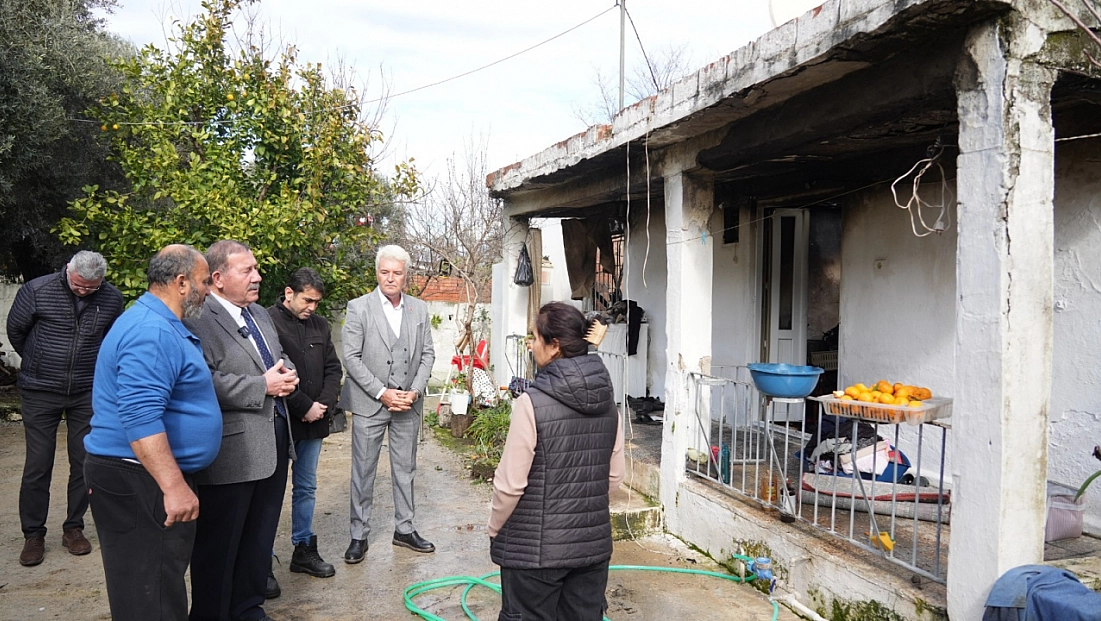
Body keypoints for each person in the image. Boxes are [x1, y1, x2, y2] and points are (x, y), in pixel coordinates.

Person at [84, 245, 222, 620]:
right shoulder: (152, 331)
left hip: (144, 476)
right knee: (150, 598)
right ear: (181, 283)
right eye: (205, 281)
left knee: (157, 587)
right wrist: (174, 487)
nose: (208, 290)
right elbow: (140, 417)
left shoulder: (158, 322)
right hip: (139, 479)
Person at [184, 240, 299, 621]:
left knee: (258, 540)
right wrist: (261, 387)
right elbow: (201, 381)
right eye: (247, 270)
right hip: (232, 452)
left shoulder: (260, 315)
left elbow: (275, 359)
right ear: (217, 278)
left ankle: (249, 609)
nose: (257, 276)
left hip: (275, 444)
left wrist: (285, 373)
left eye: (255, 268)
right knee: (220, 545)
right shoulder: (197, 319)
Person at [488, 302, 625, 621]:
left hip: (535, 557)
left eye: (535, 337)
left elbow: (510, 486)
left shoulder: (531, 404)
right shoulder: (608, 402)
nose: (531, 344)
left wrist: (495, 529)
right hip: (591, 550)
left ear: (554, 346)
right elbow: (615, 477)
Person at [6, 250, 124, 567]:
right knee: (38, 463)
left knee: (85, 461)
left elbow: (111, 340)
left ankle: (73, 527)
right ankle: (33, 534)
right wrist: (39, 361)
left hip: (87, 390)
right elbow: (16, 332)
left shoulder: (112, 298)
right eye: (79, 284)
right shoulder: (36, 290)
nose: (84, 290)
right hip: (40, 389)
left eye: (91, 287)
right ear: (68, 269)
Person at [342, 244, 436, 562]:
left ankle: (404, 530)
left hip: (407, 403)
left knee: (405, 469)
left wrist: (416, 391)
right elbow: (351, 358)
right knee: (363, 471)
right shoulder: (359, 308)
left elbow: (427, 355)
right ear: (377, 273)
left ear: (405, 275)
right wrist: (382, 391)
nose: (390, 278)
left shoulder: (419, 309)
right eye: (385, 272)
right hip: (372, 402)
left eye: (397, 273)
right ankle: (359, 535)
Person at [267, 268, 342, 579]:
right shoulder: (267, 320)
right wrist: (303, 406)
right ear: (289, 293)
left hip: (313, 423)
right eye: (307, 300)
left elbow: (333, 369)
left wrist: (321, 406)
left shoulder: (320, 325)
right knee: (269, 490)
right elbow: (272, 370)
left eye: (316, 302)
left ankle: (303, 549)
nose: (312, 307)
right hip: (279, 420)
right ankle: (262, 559)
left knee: (306, 486)